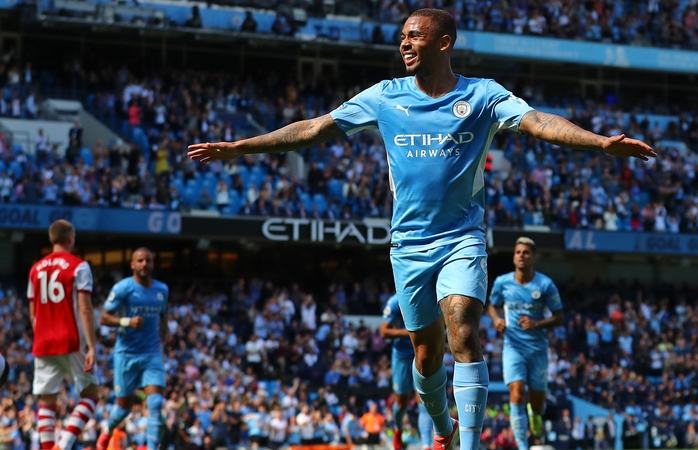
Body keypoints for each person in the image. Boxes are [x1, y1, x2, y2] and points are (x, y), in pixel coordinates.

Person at [187, 9, 655, 449]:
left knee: (463, 331)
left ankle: (470, 444)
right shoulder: (384, 95)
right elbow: (315, 128)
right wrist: (241, 147)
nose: (404, 43)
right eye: (404, 35)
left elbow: (538, 122)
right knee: (427, 356)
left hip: (462, 238)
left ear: (444, 43)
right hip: (408, 244)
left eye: (415, 35)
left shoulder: (483, 96)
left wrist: (599, 143)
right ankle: (442, 427)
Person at [26, 219, 99, 450]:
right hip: (70, 339)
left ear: (51, 239)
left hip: (43, 340)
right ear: (70, 239)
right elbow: (85, 308)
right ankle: (64, 445)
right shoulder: (79, 266)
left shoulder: (35, 269)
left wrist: (41, 335)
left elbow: (32, 313)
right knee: (91, 395)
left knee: (46, 400)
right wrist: (92, 345)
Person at [487, 237, 563, 450]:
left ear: (534, 258)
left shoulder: (545, 284)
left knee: (537, 403)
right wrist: (497, 320)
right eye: (518, 252)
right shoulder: (502, 282)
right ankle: (522, 445)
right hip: (513, 348)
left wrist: (537, 323)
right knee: (517, 393)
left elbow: (560, 317)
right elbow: (492, 306)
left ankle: (535, 416)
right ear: (513, 257)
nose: (521, 255)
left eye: (526, 252)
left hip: (538, 350)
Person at [96, 248, 169, 450]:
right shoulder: (123, 288)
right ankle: (107, 431)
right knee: (123, 409)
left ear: (153, 264)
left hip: (152, 353)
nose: (144, 264)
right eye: (140, 260)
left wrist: (165, 328)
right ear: (132, 264)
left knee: (154, 404)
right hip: (126, 355)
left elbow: (163, 313)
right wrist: (127, 321)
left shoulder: (162, 289)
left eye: (148, 260)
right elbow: (103, 317)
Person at [380, 294, 433, 450]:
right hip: (401, 356)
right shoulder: (394, 302)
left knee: (423, 398)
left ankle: (426, 444)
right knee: (401, 403)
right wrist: (409, 333)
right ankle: (398, 429)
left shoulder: (428, 296)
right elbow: (384, 332)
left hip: (421, 353)